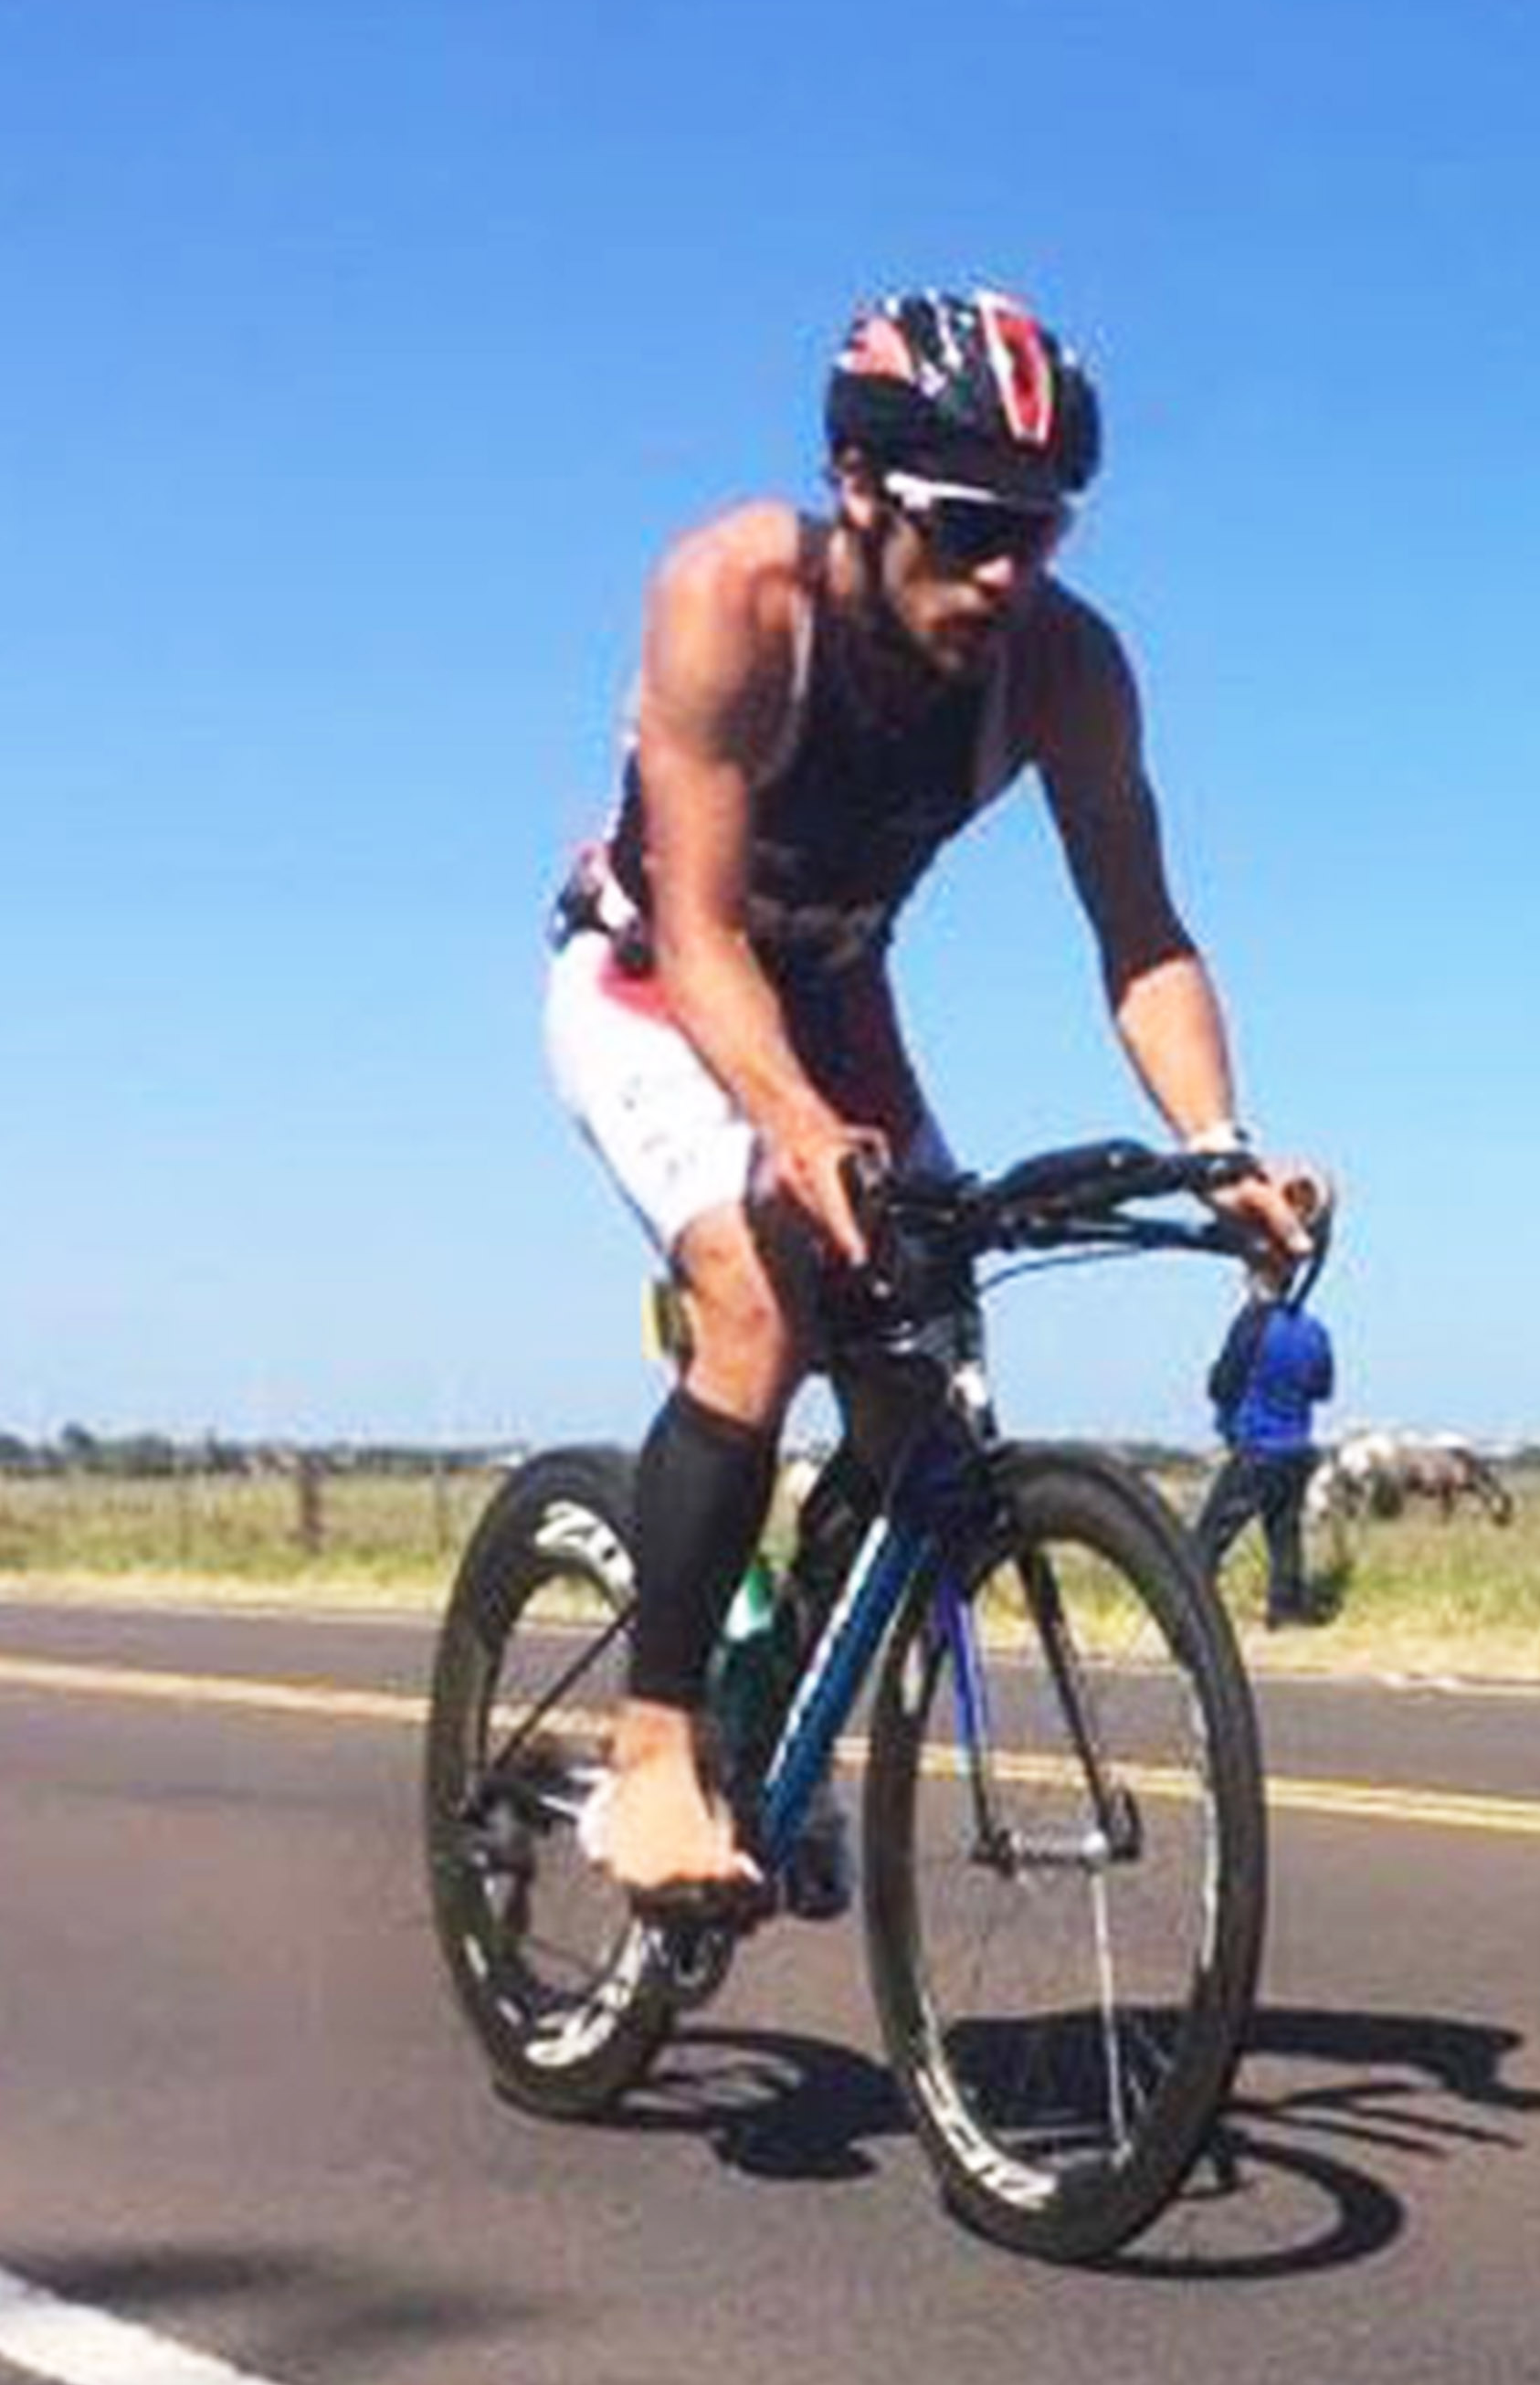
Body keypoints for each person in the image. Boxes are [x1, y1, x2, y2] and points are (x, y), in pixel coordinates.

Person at [542, 284, 1323, 1911]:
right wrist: (791, 1124)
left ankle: (776, 1708)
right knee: (759, 1295)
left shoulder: (1068, 669)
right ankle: (657, 1751)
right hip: (652, 982)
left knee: (929, 1386)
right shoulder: (733, 598)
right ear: (857, 484)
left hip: (838, 995)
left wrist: (1219, 1146)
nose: (1007, 574)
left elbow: (1142, 933)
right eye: (972, 527)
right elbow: (700, 932)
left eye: (1042, 533)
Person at [1189, 1254, 1334, 1630]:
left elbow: (1222, 1384)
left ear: (1257, 1278)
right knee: (1285, 1535)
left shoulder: (1251, 1324)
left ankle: (1193, 1614)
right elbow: (1322, 1388)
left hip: (1256, 1447)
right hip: (1297, 1448)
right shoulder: (1314, 1331)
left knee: (1209, 1538)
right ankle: (1286, 1611)